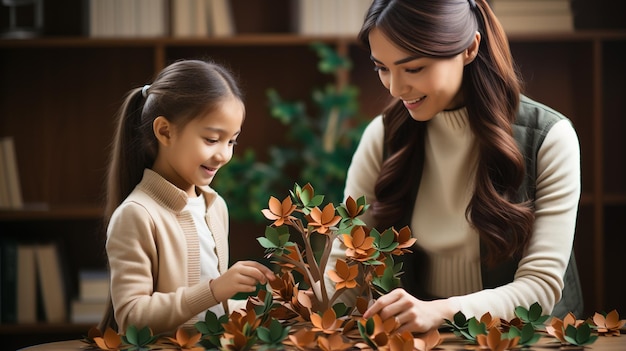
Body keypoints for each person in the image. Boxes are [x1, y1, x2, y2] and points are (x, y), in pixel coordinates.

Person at [326, 0, 583, 334]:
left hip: (524, 338)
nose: (395, 87)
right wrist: (311, 307)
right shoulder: (384, 134)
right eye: (382, 68)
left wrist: (441, 311)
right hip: (417, 340)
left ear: (470, 48)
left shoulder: (548, 138)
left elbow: (541, 288)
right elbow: (347, 259)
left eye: (413, 68)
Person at [99, 59, 275, 335]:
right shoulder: (137, 215)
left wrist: (271, 305)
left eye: (231, 141)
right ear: (165, 131)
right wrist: (216, 289)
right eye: (211, 139)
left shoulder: (215, 207)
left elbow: (209, 310)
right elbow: (131, 317)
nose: (224, 155)